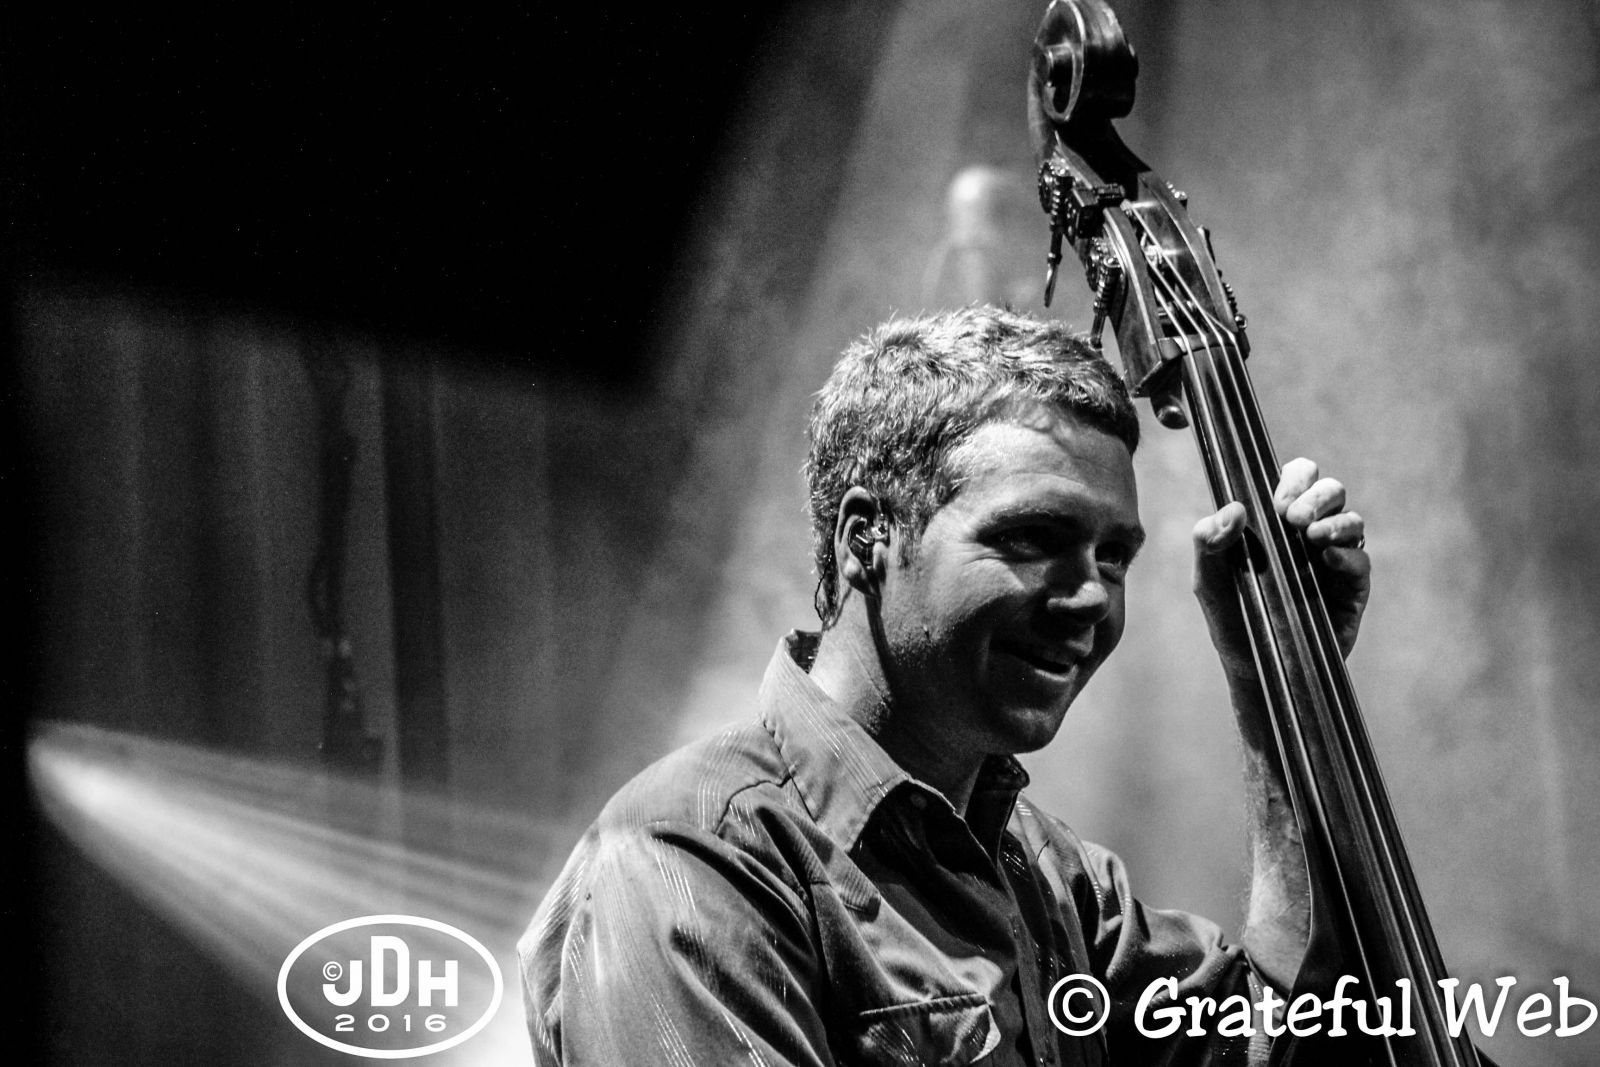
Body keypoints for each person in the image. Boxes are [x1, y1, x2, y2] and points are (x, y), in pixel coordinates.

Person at [518, 304, 1371, 1065]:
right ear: (866, 537)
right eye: (1034, 537)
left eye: (1114, 556)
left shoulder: (1055, 877)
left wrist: (1279, 687)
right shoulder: (689, 858)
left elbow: (1282, 1035)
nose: (1091, 597)